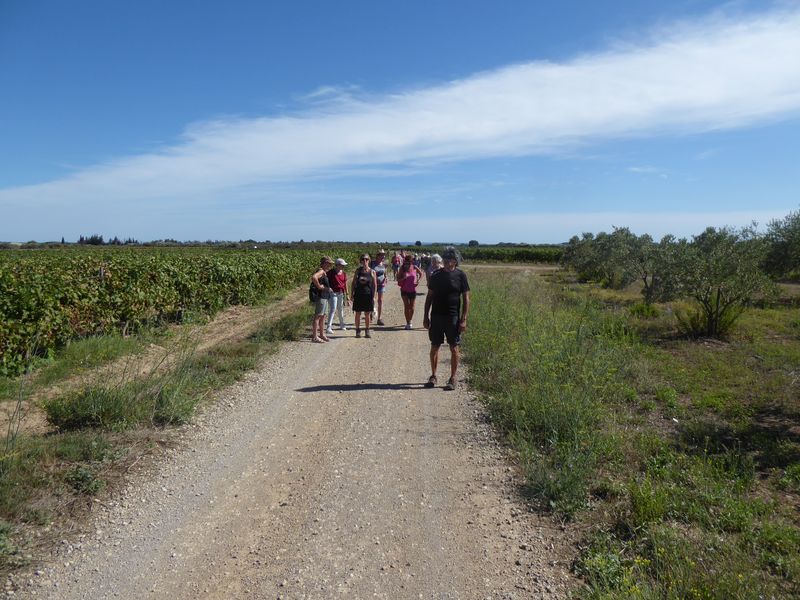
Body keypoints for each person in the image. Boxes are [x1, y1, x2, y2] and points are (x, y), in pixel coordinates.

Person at [423, 247, 470, 390]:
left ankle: (453, 378)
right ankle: (433, 376)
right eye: (447, 259)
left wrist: (464, 319)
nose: (449, 261)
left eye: (452, 259)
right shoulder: (436, 275)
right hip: (436, 316)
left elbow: (466, 298)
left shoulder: (461, 275)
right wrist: (426, 316)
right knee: (434, 346)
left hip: (453, 317)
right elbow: (429, 296)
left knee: (454, 347)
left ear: (456, 261)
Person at [351, 254, 377, 338]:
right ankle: (357, 330)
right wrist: (352, 294)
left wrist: (374, 296)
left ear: (369, 261)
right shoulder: (358, 271)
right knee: (357, 313)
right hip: (358, 294)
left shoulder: (372, 271)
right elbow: (353, 282)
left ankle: (367, 330)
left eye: (366, 259)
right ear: (361, 261)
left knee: (367, 313)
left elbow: (375, 285)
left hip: (368, 295)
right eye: (363, 259)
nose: (364, 261)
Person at [397, 254, 425, 330]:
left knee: (412, 307)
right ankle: (408, 322)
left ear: (411, 262)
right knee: (406, 306)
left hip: (412, 290)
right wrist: (403, 278)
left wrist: (418, 281)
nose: (407, 264)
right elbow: (398, 279)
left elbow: (421, 273)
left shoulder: (414, 267)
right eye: (406, 262)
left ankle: (410, 320)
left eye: (408, 262)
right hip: (404, 290)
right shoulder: (402, 268)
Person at [310, 256, 334, 342]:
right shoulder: (321, 271)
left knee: (323, 316)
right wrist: (319, 287)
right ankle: (315, 336)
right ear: (324, 263)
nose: (330, 265)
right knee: (318, 316)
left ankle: (321, 334)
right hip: (321, 296)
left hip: (324, 296)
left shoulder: (323, 271)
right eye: (328, 264)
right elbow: (314, 277)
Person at [326, 258, 349, 334]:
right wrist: (328, 288)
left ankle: (342, 324)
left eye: (343, 265)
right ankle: (328, 327)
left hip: (340, 293)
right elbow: (326, 281)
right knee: (333, 309)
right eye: (342, 265)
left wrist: (347, 294)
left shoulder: (344, 273)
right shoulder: (331, 272)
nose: (343, 266)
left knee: (340, 309)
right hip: (333, 293)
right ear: (337, 265)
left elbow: (345, 284)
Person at [370, 249, 388, 326]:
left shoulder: (384, 264)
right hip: (373, 284)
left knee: (380, 300)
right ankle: (371, 312)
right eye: (381, 254)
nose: (383, 256)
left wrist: (386, 277)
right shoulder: (372, 263)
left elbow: (385, 271)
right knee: (372, 300)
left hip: (381, 284)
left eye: (383, 254)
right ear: (378, 255)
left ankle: (379, 318)